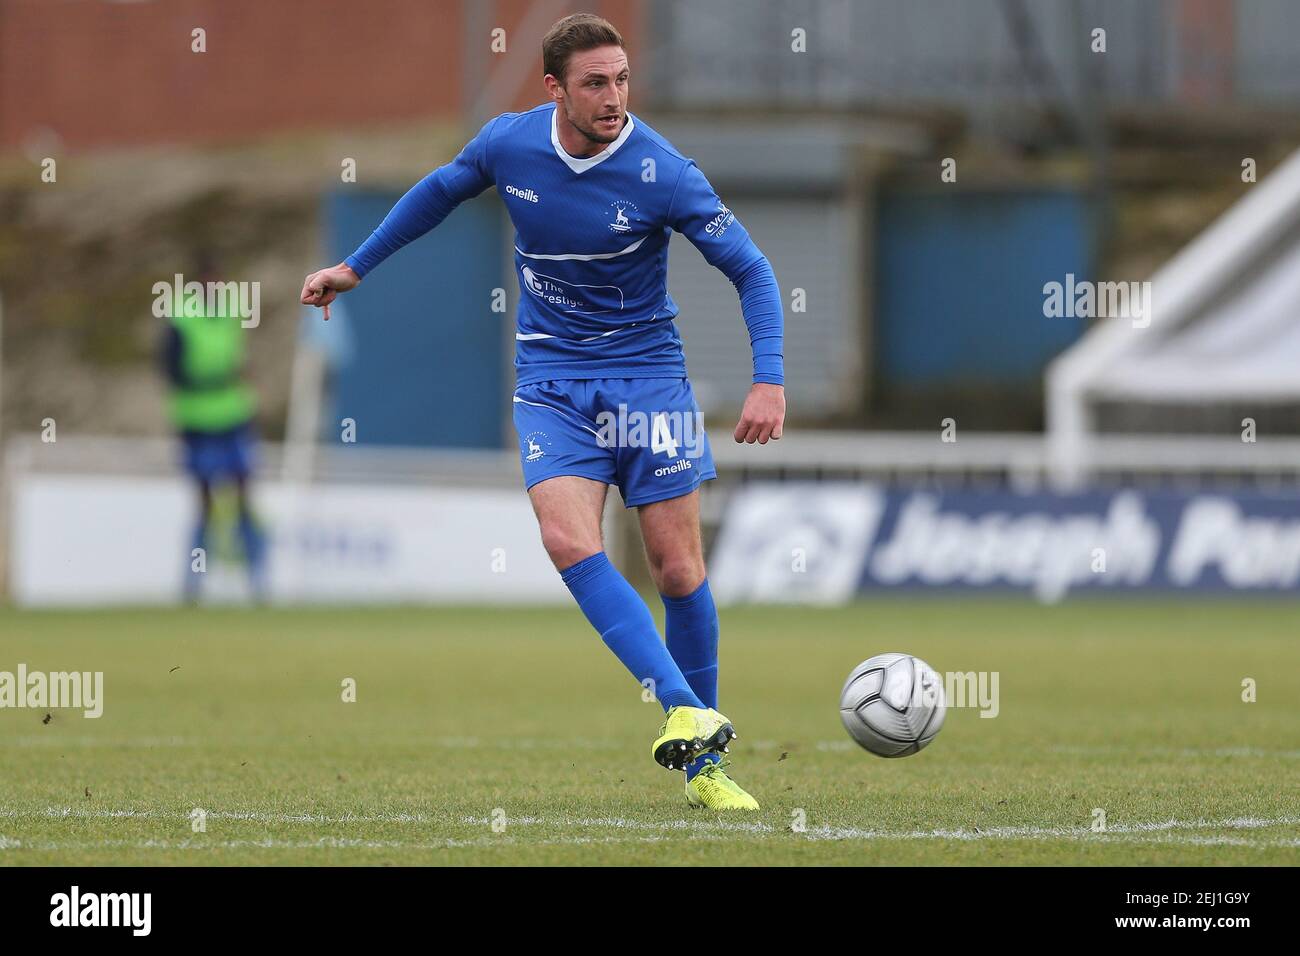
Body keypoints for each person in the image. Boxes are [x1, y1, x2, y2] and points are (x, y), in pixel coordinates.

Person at [299, 14, 784, 810]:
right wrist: (356, 266)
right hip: (553, 379)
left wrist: (769, 379)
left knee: (678, 568)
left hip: (647, 380)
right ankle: (686, 712)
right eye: (595, 82)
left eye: (623, 78)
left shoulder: (664, 169)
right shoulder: (510, 143)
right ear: (553, 87)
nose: (614, 97)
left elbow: (753, 270)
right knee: (566, 539)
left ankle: (706, 768)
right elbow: (440, 191)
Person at [162, 254, 267, 603]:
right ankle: (194, 585)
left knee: (244, 496)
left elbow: (240, 360)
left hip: (234, 415)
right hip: (197, 419)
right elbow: (169, 369)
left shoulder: (232, 312)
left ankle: (257, 580)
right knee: (204, 503)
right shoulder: (180, 316)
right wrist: (208, 381)